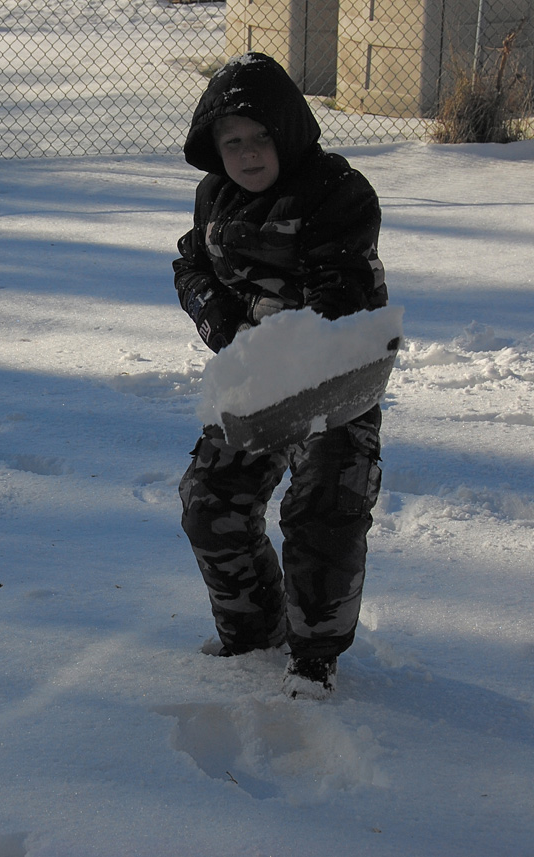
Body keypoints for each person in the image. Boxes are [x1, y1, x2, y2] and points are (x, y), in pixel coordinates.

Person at [173, 53, 388, 700]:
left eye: (260, 136)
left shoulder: (336, 192)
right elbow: (191, 265)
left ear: (287, 132)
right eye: (231, 141)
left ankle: (315, 657)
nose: (246, 153)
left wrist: (262, 342)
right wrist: (218, 322)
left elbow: (338, 301)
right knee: (211, 501)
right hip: (258, 375)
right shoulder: (216, 196)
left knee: (324, 510)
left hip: (336, 375)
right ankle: (251, 633)